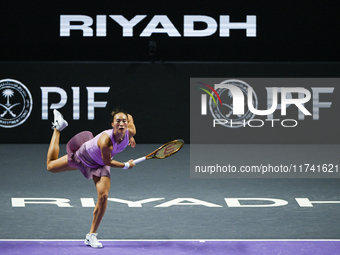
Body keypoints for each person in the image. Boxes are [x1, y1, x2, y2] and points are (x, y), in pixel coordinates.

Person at [46, 109, 136, 248]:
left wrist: (129, 136)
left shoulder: (131, 130)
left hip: (99, 165)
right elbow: (107, 161)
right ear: (112, 124)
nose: (122, 123)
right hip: (83, 157)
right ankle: (58, 127)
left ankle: (91, 235)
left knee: (103, 196)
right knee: (51, 166)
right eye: (118, 121)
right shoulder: (106, 140)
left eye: (124, 121)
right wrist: (125, 165)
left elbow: (129, 116)